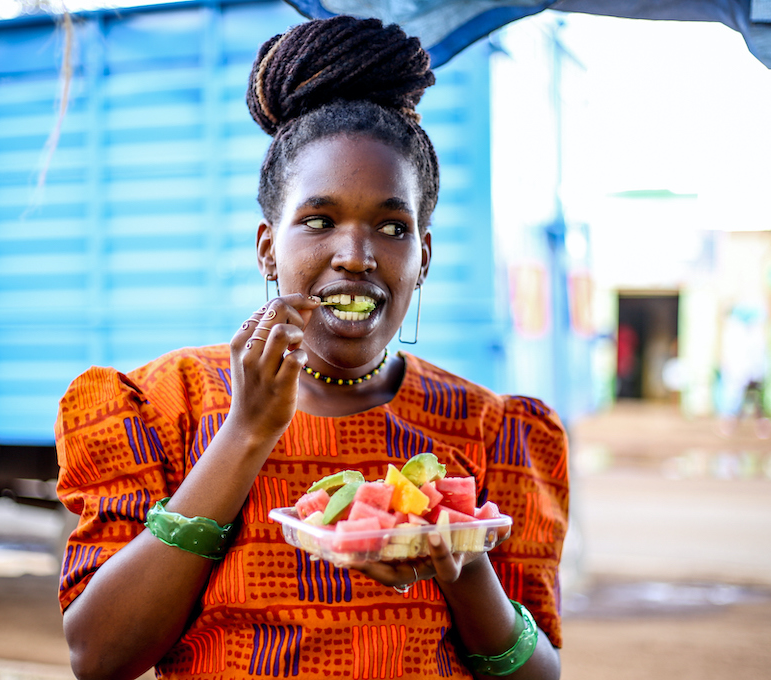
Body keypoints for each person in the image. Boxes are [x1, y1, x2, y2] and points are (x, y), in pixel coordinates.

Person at [55, 15, 568, 680]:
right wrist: (245, 433)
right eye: (319, 221)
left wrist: (459, 556)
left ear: (424, 256)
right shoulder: (163, 407)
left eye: (392, 226)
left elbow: (542, 675)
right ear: (268, 247)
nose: (355, 255)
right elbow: (98, 657)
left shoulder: (490, 431)